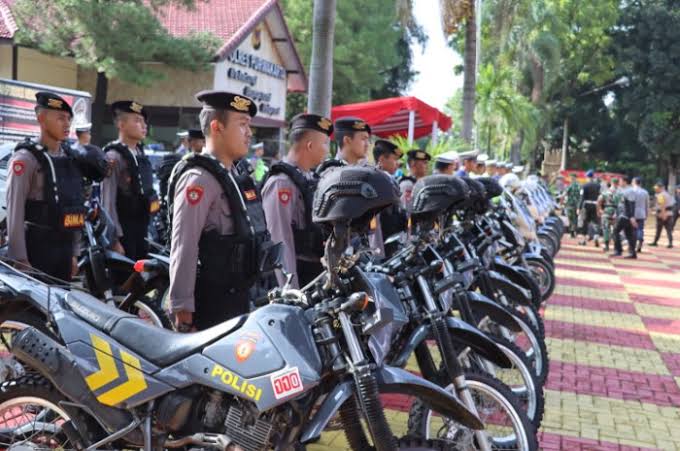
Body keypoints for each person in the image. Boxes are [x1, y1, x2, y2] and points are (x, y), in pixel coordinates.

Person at [167, 90, 270, 331]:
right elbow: (184, 245)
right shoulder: (199, 180)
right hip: (212, 304)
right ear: (217, 127)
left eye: (249, 125)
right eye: (242, 124)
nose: (249, 133)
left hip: (242, 295)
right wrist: (183, 308)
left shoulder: (235, 175)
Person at [6, 92, 106, 281]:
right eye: (60, 118)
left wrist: (74, 254)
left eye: (69, 118)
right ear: (41, 118)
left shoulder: (71, 158)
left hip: (64, 251)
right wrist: (19, 259)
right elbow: (15, 213)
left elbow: (75, 208)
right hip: (35, 253)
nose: (67, 124)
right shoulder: (25, 159)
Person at [261, 114, 331, 288]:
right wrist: (291, 290)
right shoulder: (281, 183)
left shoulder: (307, 177)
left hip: (313, 273)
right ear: (310, 145)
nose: (327, 150)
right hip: (297, 276)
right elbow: (280, 241)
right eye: (324, 143)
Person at [100, 100, 159, 261]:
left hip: (143, 230)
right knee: (123, 282)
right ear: (121, 124)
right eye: (137, 121)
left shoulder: (140, 153)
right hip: (123, 233)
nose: (144, 125)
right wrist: (114, 240)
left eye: (144, 121)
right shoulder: (113, 156)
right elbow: (108, 202)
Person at [373, 140, 408, 257]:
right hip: (381, 242)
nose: (397, 163)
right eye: (394, 159)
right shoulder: (377, 179)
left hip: (391, 240)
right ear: (382, 159)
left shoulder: (388, 179)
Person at [612, 176, 638, 259]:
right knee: (629, 234)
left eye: (620, 181)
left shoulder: (630, 191)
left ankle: (618, 250)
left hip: (625, 215)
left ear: (625, 182)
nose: (619, 183)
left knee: (616, 231)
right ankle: (632, 253)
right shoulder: (622, 190)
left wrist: (631, 217)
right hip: (622, 214)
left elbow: (631, 204)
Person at [578, 170, 601, 246]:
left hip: (587, 205)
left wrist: (579, 208)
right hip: (595, 205)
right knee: (596, 222)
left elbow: (582, 198)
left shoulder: (584, 186)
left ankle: (584, 240)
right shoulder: (598, 186)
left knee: (585, 222)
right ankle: (596, 237)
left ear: (587, 177)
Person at [597, 178, 620, 252]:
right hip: (617, 212)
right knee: (616, 230)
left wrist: (600, 211)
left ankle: (607, 246)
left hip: (606, 211)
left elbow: (599, 201)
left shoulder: (605, 192)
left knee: (606, 229)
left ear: (611, 183)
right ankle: (617, 246)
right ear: (618, 183)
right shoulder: (620, 193)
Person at [649, 181, 675, 248]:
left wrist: (663, 214)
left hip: (662, 214)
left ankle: (655, 242)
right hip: (670, 214)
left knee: (658, 229)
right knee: (669, 229)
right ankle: (670, 243)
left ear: (660, 188)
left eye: (657, 188)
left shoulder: (660, 195)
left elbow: (662, 205)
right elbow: (672, 204)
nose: (656, 189)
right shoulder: (668, 194)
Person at [631, 177, 649, 253]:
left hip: (632, 213)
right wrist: (646, 214)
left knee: (632, 229)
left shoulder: (630, 191)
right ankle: (640, 238)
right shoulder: (645, 192)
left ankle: (633, 244)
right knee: (640, 228)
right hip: (642, 213)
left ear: (634, 182)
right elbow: (647, 205)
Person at [564, 173, 581, 238]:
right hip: (577, 205)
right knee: (575, 218)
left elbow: (565, 193)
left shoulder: (570, 186)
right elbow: (581, 196)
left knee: (570, 218)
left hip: (570, 204)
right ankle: (575, 231)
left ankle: (571, 232)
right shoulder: (579, 186)